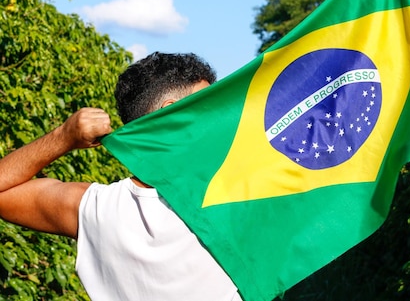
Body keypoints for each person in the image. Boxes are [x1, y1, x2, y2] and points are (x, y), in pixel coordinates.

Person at [0, 52, 243, 301]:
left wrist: (64, 137)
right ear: (172, 113)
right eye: (209, 105)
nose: (219, 118)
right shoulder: (238, 197)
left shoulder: (95, 209)